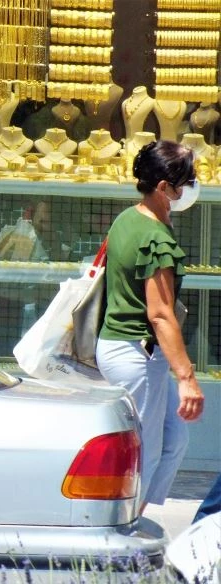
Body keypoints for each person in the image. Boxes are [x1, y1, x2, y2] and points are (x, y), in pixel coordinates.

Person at [96, 140, 204, 513]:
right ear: (163, 188)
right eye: (187, 179)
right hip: (136, 355)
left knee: (173, 442)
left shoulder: (132, 217)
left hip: (127, 351)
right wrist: (186, 377)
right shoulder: (155, 237)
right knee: (144, 454)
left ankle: (136, 516)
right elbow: (160, 314)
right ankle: (123, 529)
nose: (192, 185)